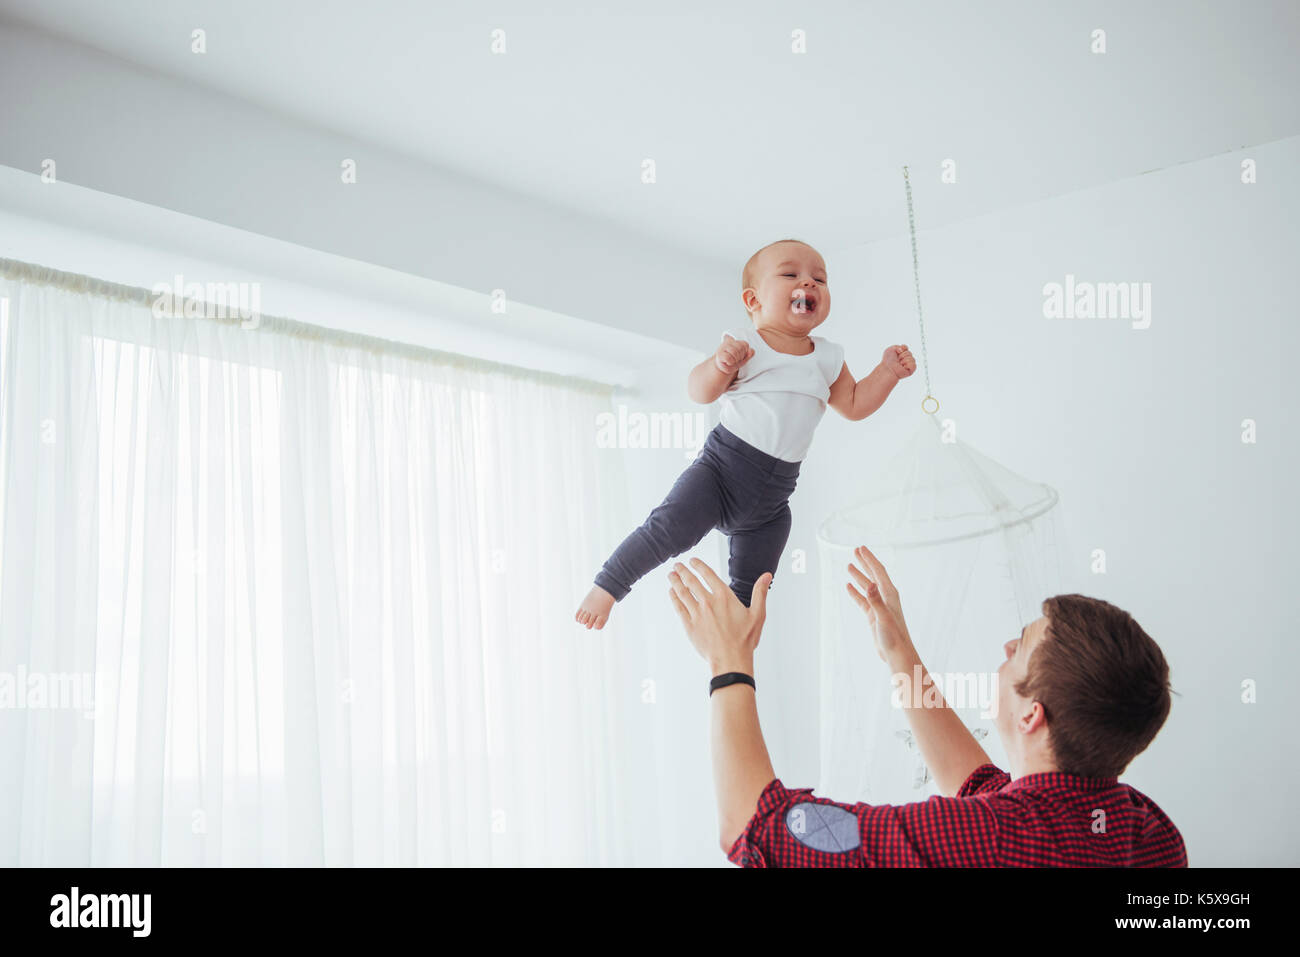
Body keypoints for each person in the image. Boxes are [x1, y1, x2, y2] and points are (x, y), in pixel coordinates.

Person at [665, 546, 1186, 867]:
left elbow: (753, 829)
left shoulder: (990, 837)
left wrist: (729, 659)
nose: (1006, 649)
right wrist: (900, 653)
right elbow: (983, 789)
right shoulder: (1149, 831)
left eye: (1021, 646)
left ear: (1032, 716)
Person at [575, 238, 915, 629]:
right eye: (791, 274)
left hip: (772, 503)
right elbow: (699, 392)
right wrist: (720, 366)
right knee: (667, 530)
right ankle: (608, 585)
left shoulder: (828, 357)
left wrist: (888, 372)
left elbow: (855, 405)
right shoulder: (744, 344)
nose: (809, 284)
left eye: (820, 278)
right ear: (753, 300)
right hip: (719, 474)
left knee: (756, 584)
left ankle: (734, 633)